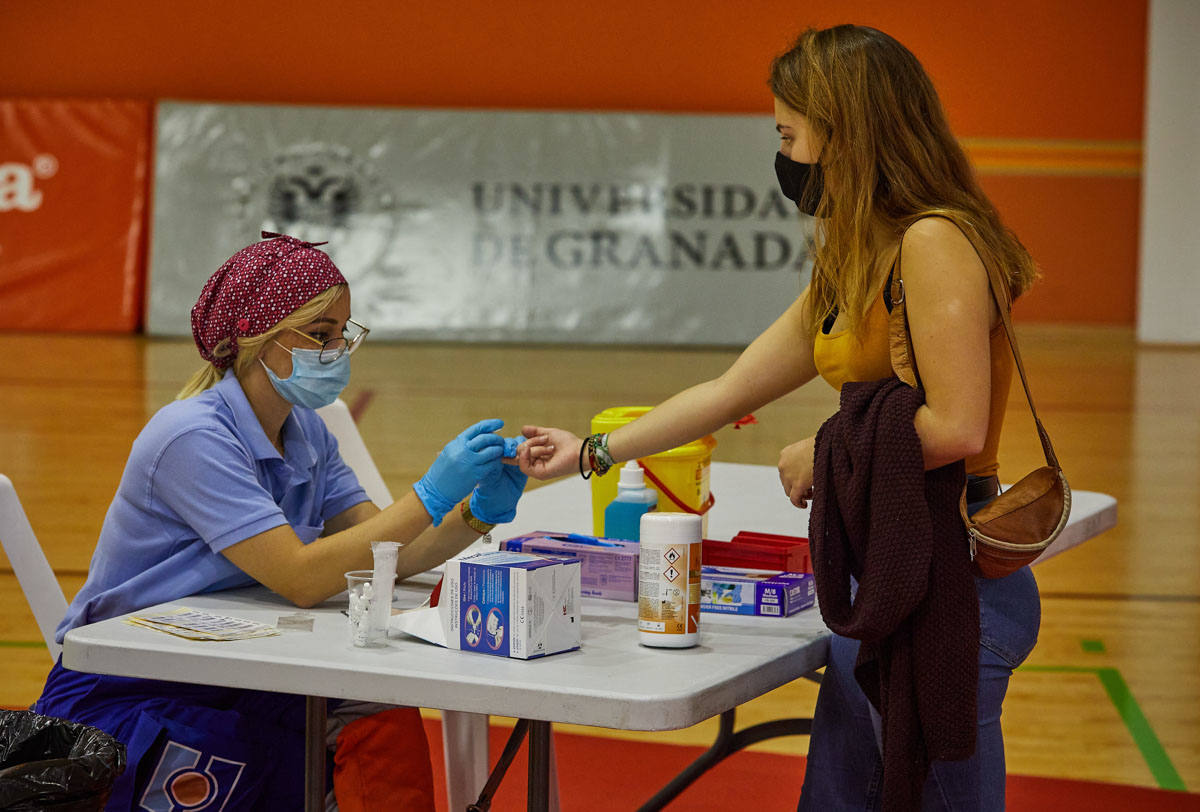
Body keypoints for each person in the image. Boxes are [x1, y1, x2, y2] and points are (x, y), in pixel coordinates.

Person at [518, 25, 1039, 811]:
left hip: (949, 583)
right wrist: (592, 450)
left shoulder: (934, 243)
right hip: (885, 572)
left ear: (847, 133)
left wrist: (824, 454)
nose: (785, 157)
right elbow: (730, 391)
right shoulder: (857, 255)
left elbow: (959, 428)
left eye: (790, 134)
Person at [35, 232, 528, 811]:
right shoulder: (192, 436)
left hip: (230, 670)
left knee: (374, 713)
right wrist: (427, 494)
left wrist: (476, 510)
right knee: (256, 758)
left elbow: (386, 556)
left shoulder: (306, 431)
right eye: (320, 336)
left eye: (343, 333)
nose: (339, 349)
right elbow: (300, 578)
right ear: (257, 340)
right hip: (125, 686)